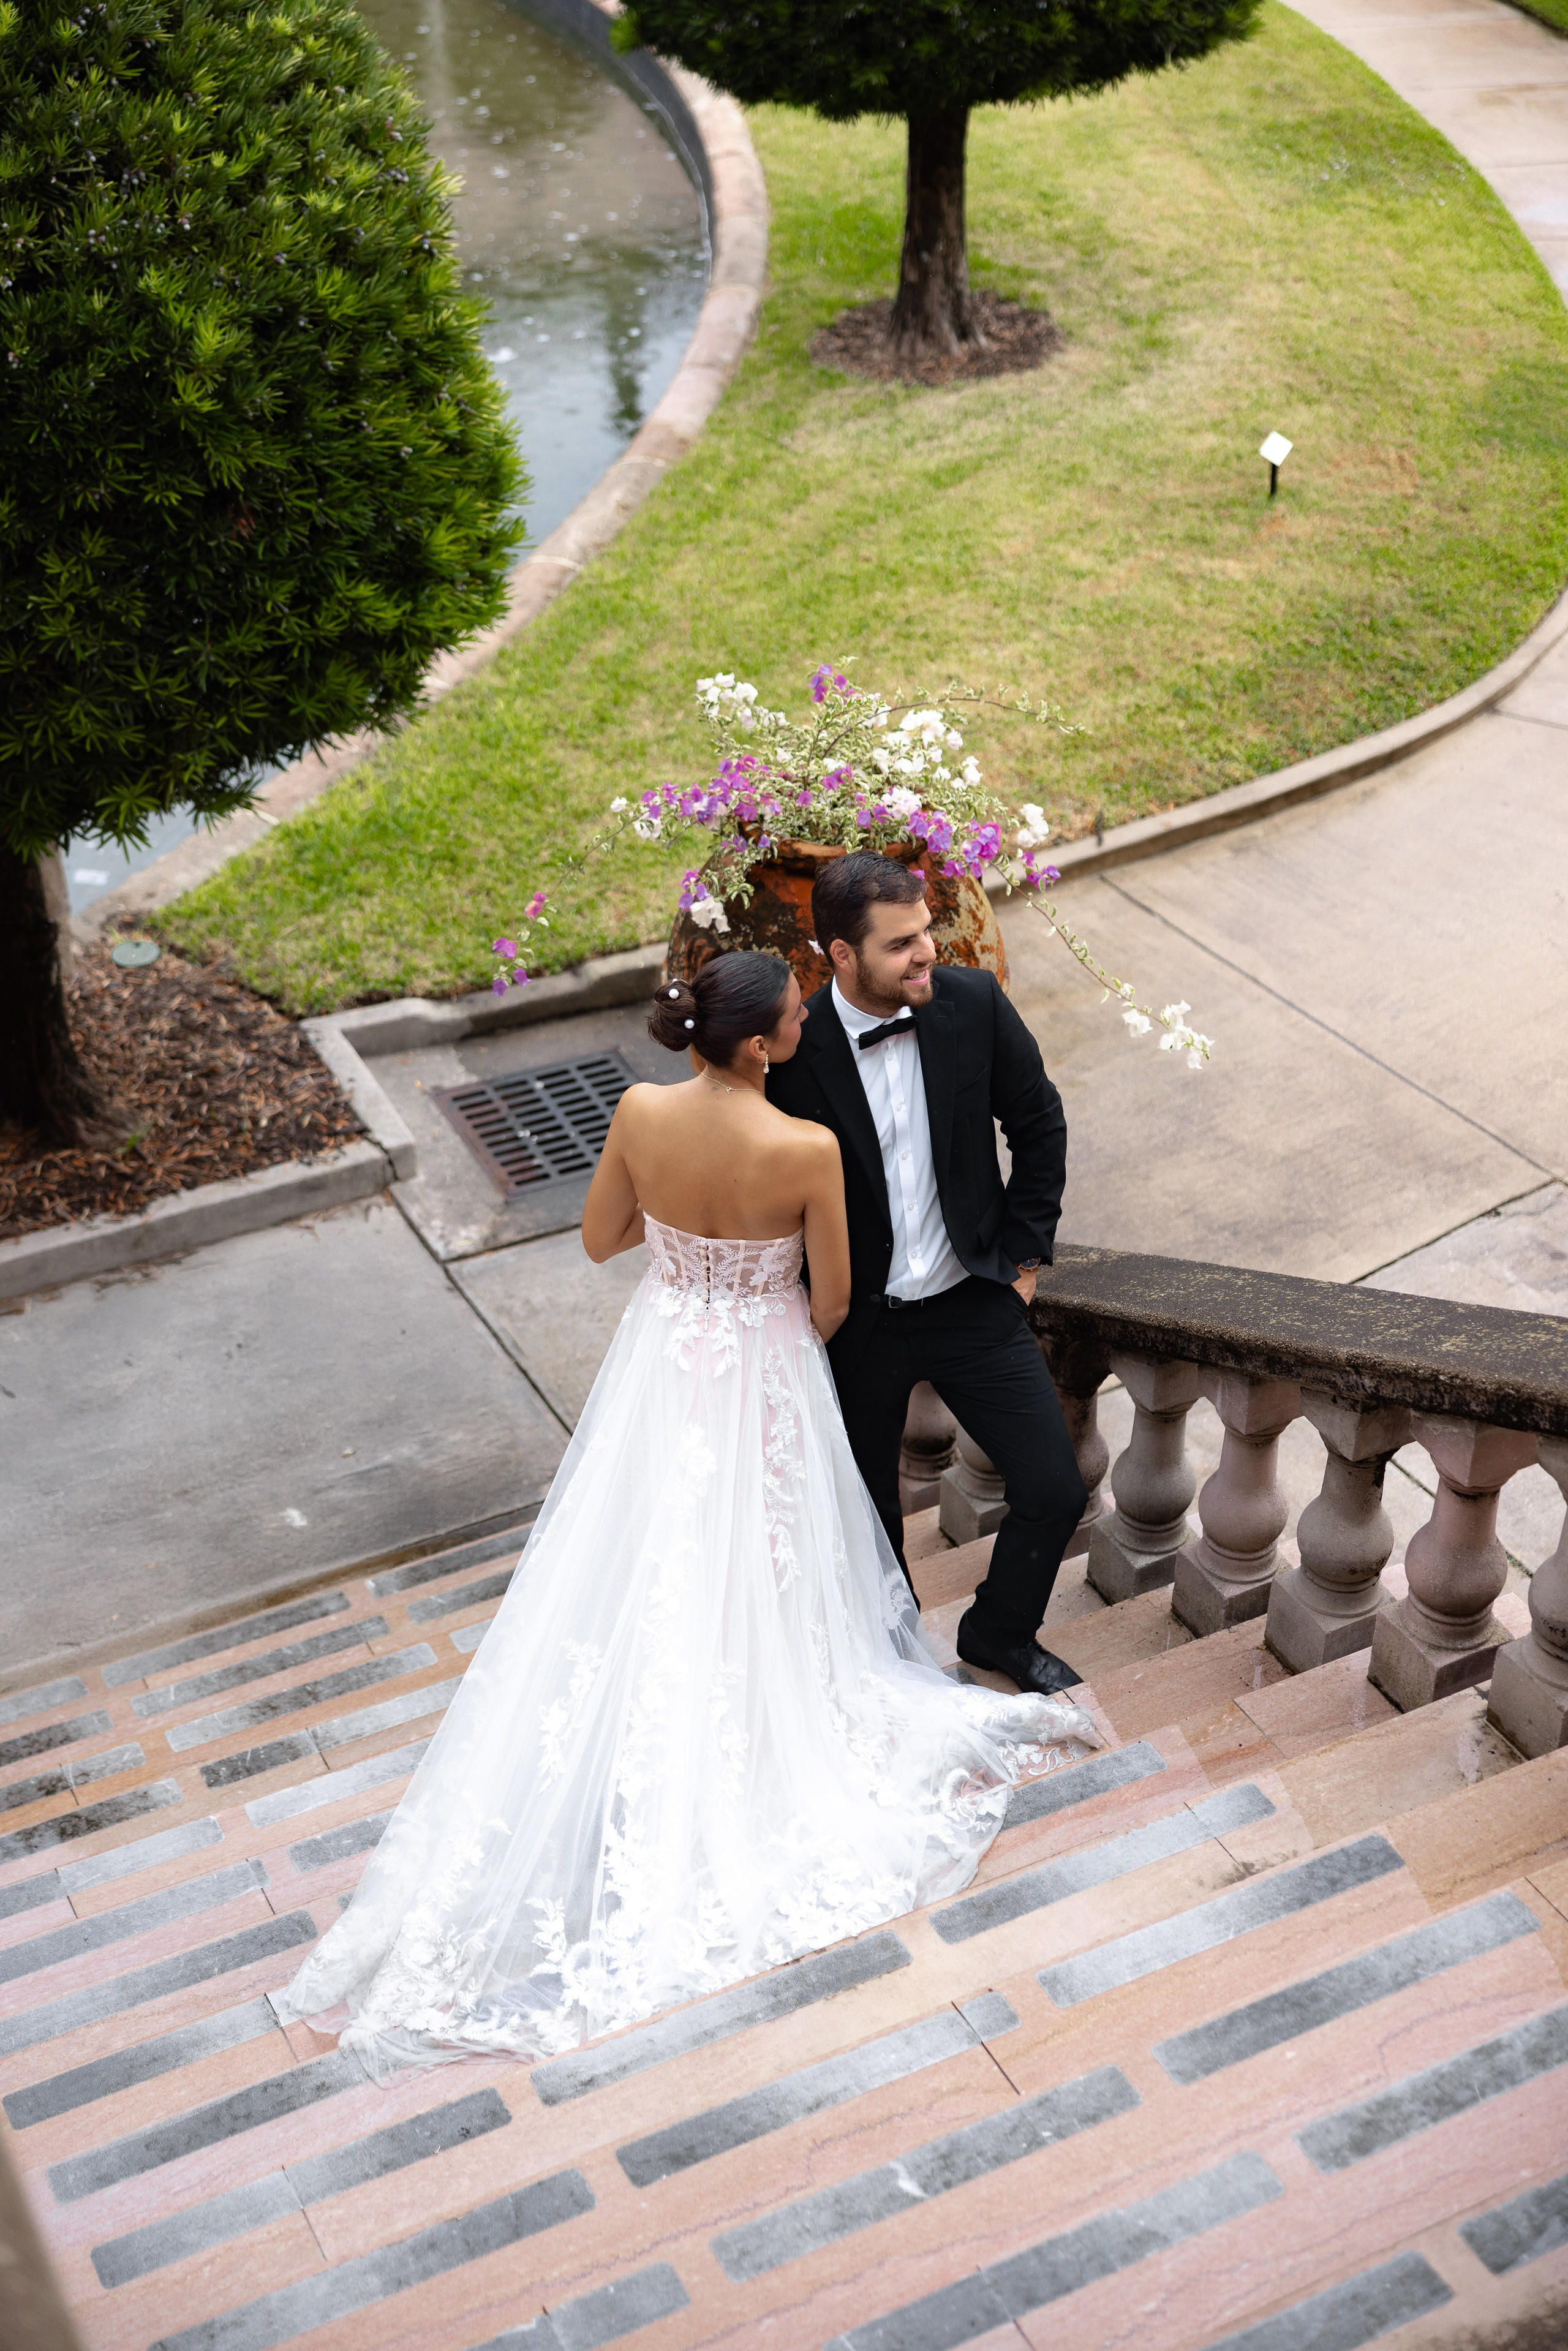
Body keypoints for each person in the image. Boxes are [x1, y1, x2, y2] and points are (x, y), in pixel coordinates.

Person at [275, 950, 1094, 2078]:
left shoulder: (636, 1110)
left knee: (644, 1545)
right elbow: (838, 1298)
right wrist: (758, 1306)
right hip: (763, 1358)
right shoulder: (804, 1147)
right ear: (758, 1044)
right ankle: (762, 1713)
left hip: (664, 1357)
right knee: (767, 1554)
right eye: (797, 1014)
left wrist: (688, 1261)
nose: (809, 1020)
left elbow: (602, 1239)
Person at [766, 853, 1088, 1699]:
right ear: (841, 955)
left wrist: (1024, 1261)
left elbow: (1038, 1121)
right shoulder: (790, 1055)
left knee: (1055, 1484)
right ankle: (899, 1665)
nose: (927, 954)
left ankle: (1000, 1635)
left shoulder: (972, 1006)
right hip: (854, 1323)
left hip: (969, 1297)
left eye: (927, 932)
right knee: (869, 1520)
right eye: (902, 943)